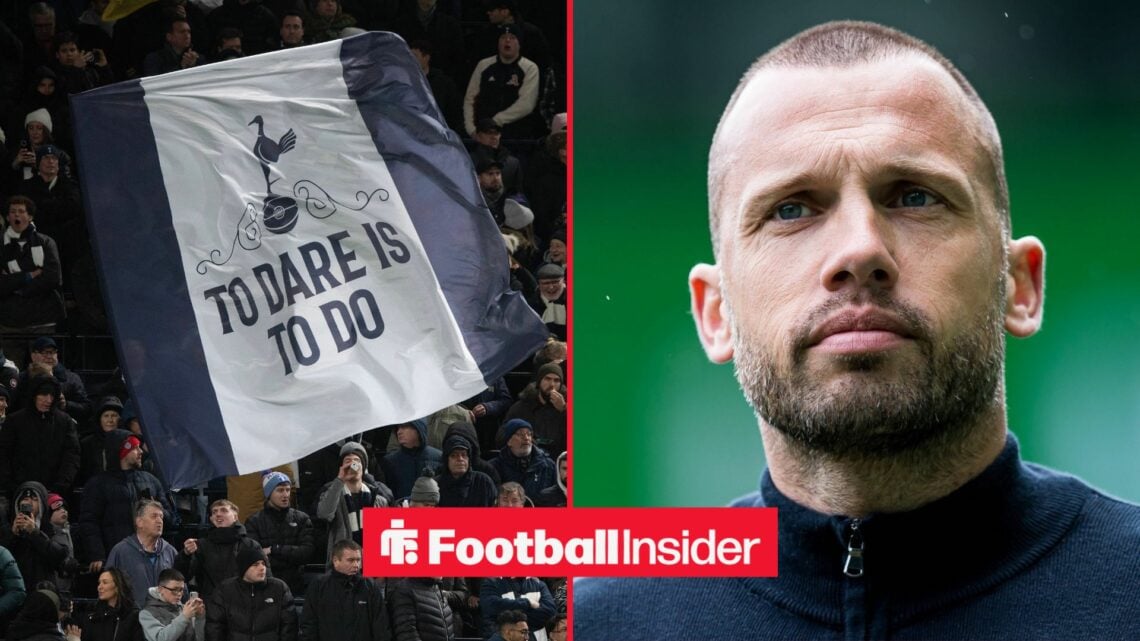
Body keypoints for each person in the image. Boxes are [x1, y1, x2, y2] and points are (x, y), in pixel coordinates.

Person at [572, 20, 1140, 640]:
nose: (860, 248)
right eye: (792, 208)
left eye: (914, 197)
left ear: (1020, 286)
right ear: (715, 313)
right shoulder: (598, 623)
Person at [80, 431, 173, 575]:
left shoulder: (151, 480)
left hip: (151, 557)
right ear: (122, 452)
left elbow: (171, 517)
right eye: (135, 448)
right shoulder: (98, 484)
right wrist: (97, 554)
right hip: (116, 559)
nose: (140, 451)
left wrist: (158, 512)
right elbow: (89, 522)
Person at [315, 442, 392, 562]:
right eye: (347, 461)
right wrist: (340, 479)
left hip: (372, 562)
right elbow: (324, 514)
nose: (352, 464)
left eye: (356, 461)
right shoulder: (332, 493)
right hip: (343, 563)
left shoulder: (378, 499)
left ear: (364, 467)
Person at [299, 540, 388, 641]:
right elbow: (309, 624)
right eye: (351, 560)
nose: (356, 565)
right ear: (336, 561)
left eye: (358, 560)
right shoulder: (319, 585)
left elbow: (381, 627)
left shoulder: (369, 586)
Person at [0, 196, 66, 330]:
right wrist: (28, 276)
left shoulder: (46, 242)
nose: (16, 214)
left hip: (43, 318)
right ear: (7, 218)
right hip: (9, 320)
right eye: (13, 211)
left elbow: (52, 278)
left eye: (21, 211)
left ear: (30, 217)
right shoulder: (1, 245)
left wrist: (20, 289)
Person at [174, 500, 261, 601]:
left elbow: (264, 577)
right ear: (211, 518)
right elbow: (182, 576)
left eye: (224, 510)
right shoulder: (200, 546)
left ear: (235, 517)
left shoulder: (250, 545)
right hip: (211, 607)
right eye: (214, 512)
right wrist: (185, 555)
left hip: (244, 605)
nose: (218, 514)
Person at [463, 25, 539, 139]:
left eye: (512, 37)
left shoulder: (529, 67)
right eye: (503, 37)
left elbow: (527, 104)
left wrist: (497, 120)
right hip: (483, 134)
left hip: (516, 135)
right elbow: (470, 99)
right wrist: (471, 129)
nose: (507, 40)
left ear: (519, 44)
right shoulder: (484, 65)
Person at [242, 472, 313, 594]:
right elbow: (255, 557)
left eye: (287, 490)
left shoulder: (302, 519)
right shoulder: (254, 521)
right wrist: (290, 554)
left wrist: (274, 550)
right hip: (264, 585)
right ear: (269, 494)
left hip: (295, 584)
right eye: (280, 490)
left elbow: (306, 552)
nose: (285, 495)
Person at [205, 548, 296, 641]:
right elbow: (214, 630)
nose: (262, 568)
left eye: (263, 563)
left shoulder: (279, 588)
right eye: (255, 565)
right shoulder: (225, 590)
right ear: (244, 568)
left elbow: (289, 628)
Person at [105, 500, 178, 607]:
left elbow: (181, 590)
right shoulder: (120, 552)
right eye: (154, 516)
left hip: (165, 620)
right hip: (132, 620)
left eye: (161, 517)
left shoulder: (170, 552)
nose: (159, 521)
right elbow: (108, 589)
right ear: (139, 522)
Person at [138, 568, 205, 641]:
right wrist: (184, 617)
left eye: (181, 590)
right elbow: (160, 638)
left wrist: (200, 618)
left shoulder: (184, 609)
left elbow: (199, 638)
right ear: (161, 589)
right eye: (174, 590)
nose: (179, 594)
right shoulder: (146, 613)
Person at [82, 568, 143, 641]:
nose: (99, 587)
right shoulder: (94, 615)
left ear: (118, 586)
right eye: (99, 583)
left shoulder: (134, 616)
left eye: (105, 582)